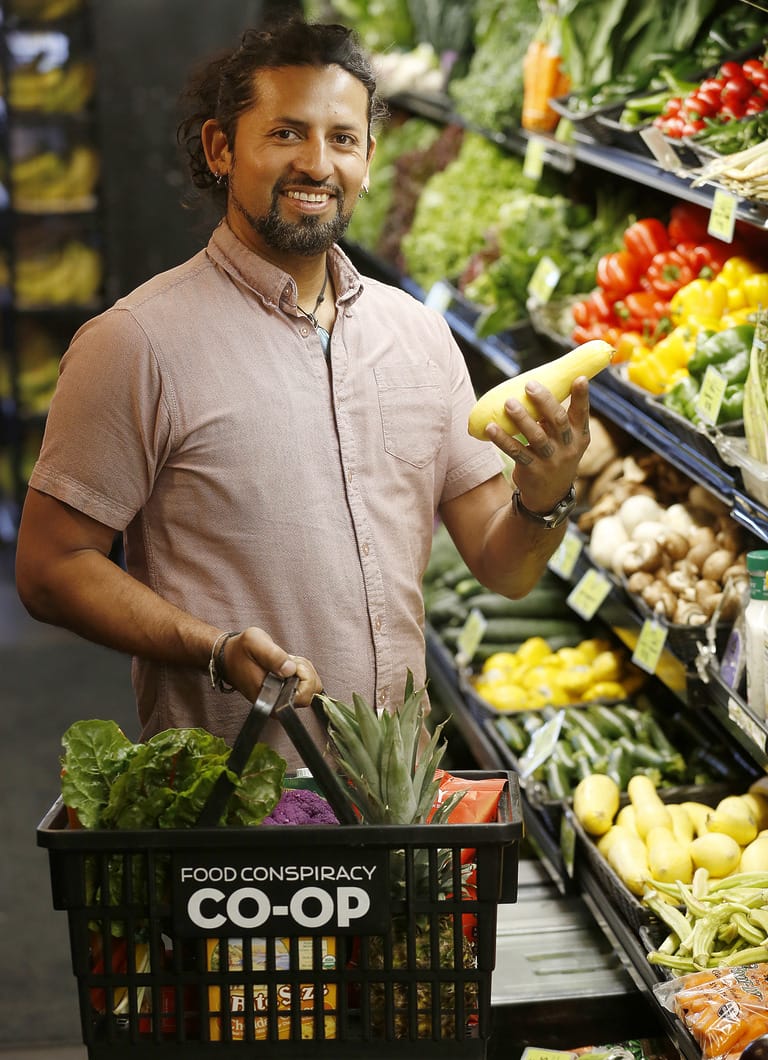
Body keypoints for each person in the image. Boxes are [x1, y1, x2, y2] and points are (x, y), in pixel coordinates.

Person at [15, 17, 590, 769]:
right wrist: (214, 650)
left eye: (342, 139)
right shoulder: (136, 344)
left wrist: (544, 495)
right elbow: (50, 568)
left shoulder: (418, 334)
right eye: (286, 134)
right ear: (222, 149)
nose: (317, 164)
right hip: (239, 812)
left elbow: (505, 568)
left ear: (369, 159)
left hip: (398, 796)